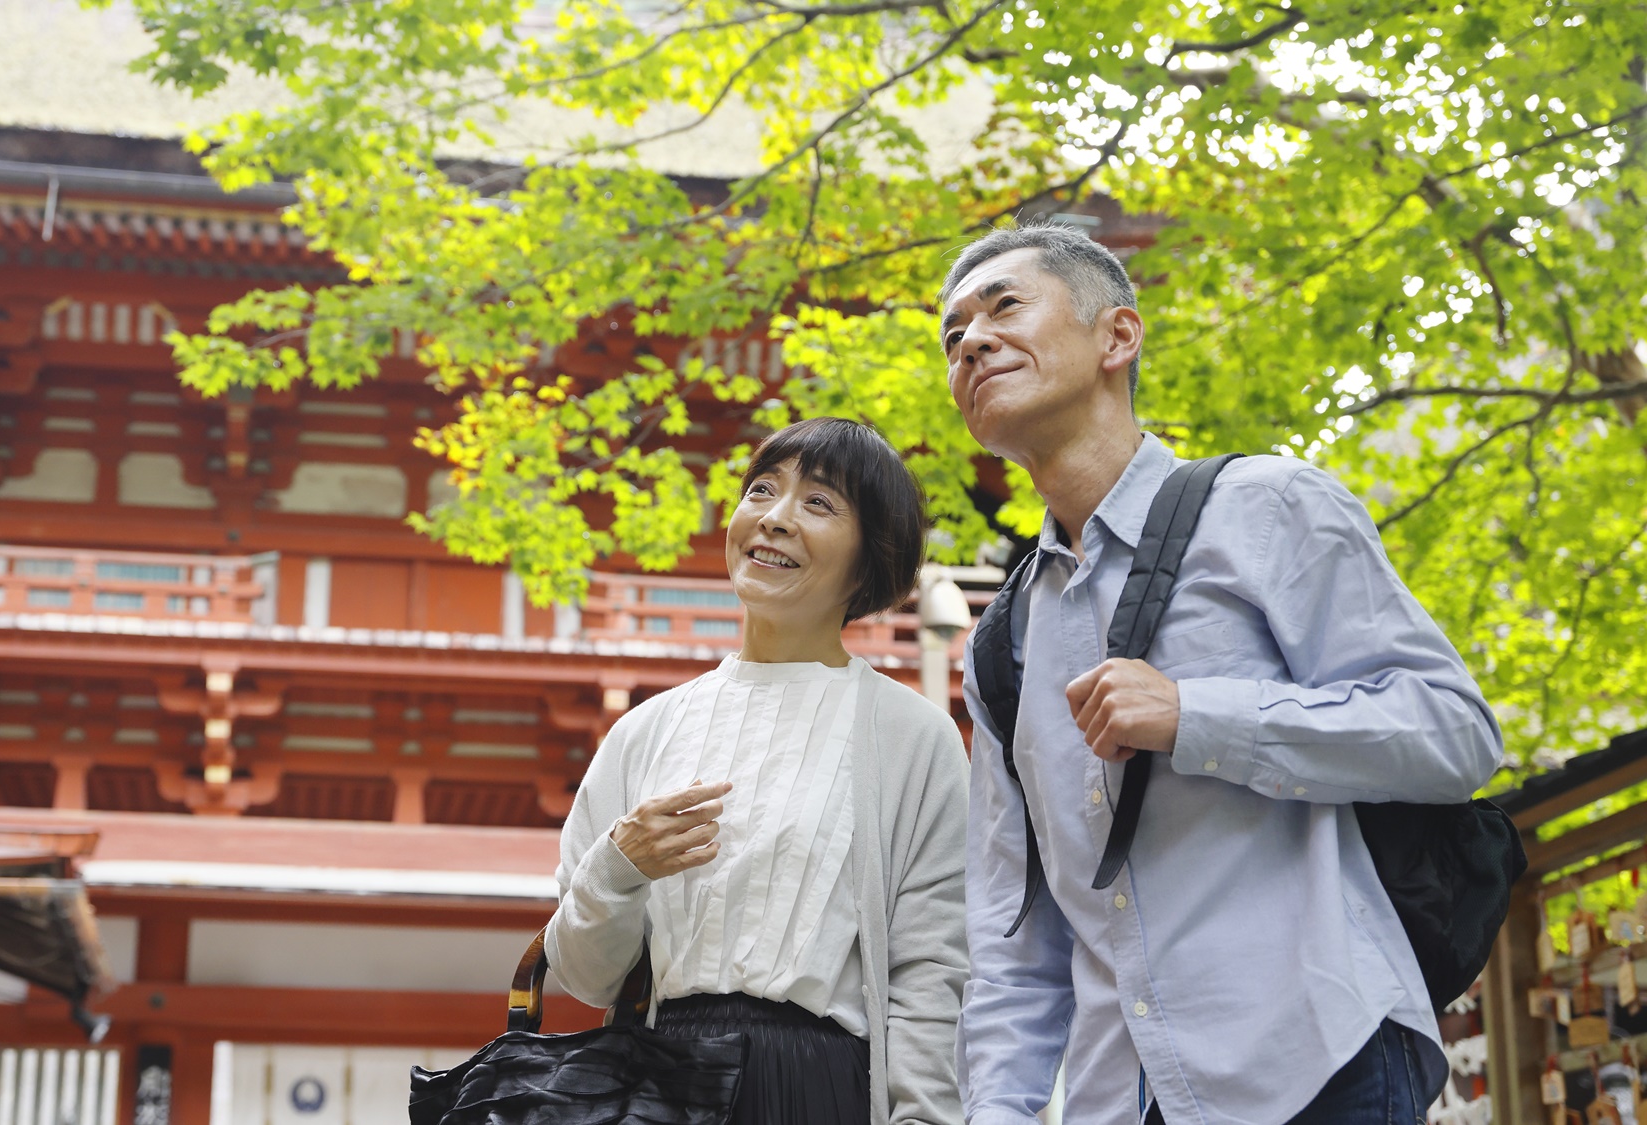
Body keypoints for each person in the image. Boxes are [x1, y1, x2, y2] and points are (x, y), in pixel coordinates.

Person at [942, 224, 1505, 1124]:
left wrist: (1195, 714)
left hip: (1318, 1060)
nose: (972, 339)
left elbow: (1452, 729)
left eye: (1004, 305)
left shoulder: (1267, 505)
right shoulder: (1000, 643)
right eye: (953, 335)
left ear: (1116, 337)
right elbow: (1017, 923)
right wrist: (998, 1108)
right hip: (1115, 1096)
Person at [546, 416, 969, 1125]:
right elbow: (587, 976)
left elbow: (933, 968)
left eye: (818, 502)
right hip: (661, 1079)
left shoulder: (912, 736)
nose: (774, 518)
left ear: (870, 560)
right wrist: (619, 865)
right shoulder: (645, 731)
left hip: (820, 1084)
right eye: (762, 490)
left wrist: (923, 1116)